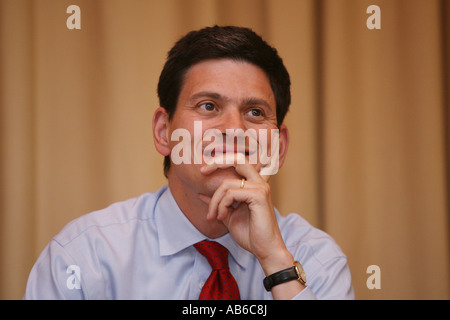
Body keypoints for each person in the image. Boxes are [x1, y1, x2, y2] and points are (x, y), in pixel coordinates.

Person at [23, 25, 354, 300]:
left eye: (255, 112)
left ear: (278, 148)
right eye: (209, 106)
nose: (234, 130)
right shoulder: (85, 257)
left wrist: (276, 263)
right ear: (164, 132)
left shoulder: (317, 260)